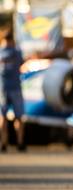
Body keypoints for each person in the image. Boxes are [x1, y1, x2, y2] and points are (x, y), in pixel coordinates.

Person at [0, 24, 25, 152]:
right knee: (19, 117)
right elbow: (22, 63)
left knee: (2, 117)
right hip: (15, 87)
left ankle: (3, 143)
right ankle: (19, 142)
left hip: (2, 88)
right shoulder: (16, 52)